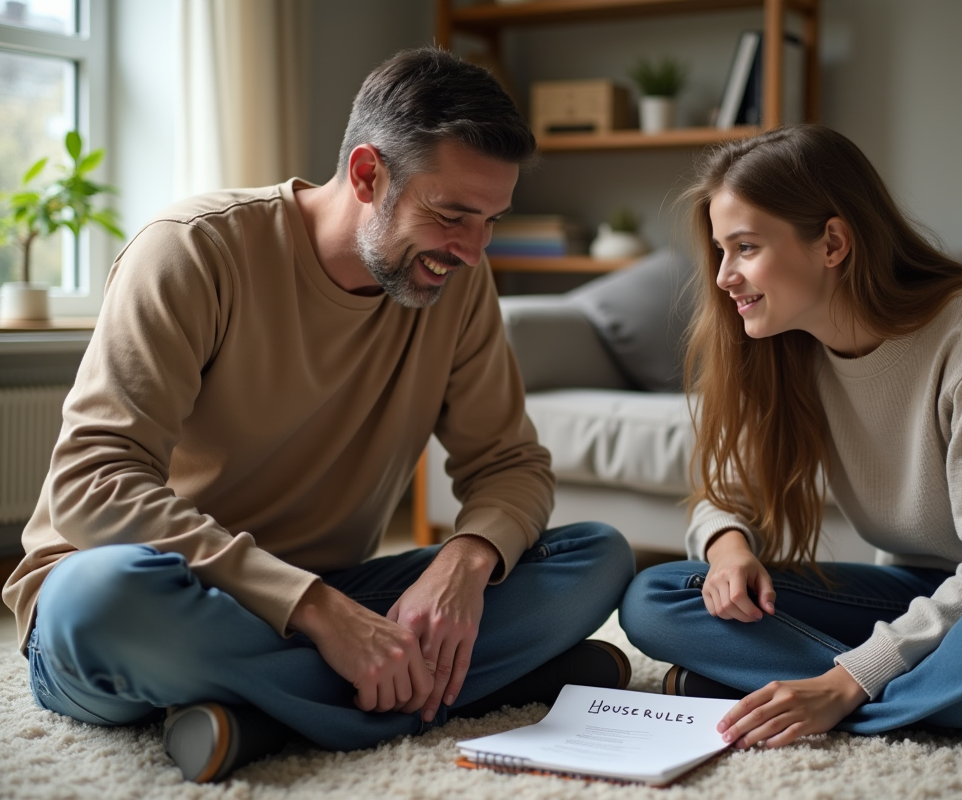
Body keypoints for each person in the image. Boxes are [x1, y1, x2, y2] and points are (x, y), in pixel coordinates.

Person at [2, 47, 635, 783]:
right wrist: (311, 610)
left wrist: (466, 562)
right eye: (452, 215)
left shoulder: (459, 282)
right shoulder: (194, 250)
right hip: (171, 594)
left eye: (491, 220)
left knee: (597, 556)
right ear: (367, 174)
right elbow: (91, 484)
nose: (471, 250)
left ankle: (262, 713)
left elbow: (509, 465)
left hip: (339, 590)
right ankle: (455, 687)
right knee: (95, 600)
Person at [619, 125, 962, 760]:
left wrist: (849, 680)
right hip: (921, 592)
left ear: (833, 242)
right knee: (658, 597)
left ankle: (823, 696)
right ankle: (956, 703)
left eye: (745, 247)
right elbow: (726, 497)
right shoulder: (785, 349)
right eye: (721, 252)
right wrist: (728, 547)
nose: (725, 277)